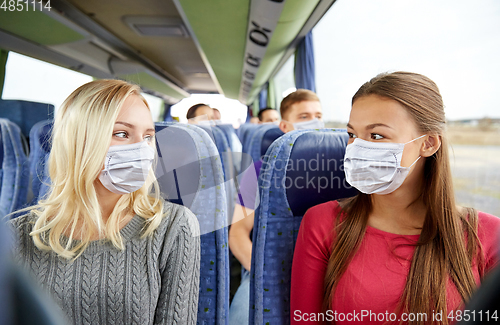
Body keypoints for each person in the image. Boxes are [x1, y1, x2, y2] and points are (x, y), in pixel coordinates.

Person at [290, 72, 500, 324]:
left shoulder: (488, 235)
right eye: (352, 135)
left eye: (377, 136)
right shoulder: (322, 223)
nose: (356, 148)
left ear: (429, 144)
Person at [8, 80, 200, 324]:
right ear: (80, 141)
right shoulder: (16, 234)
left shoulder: (173, 226)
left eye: (148, 136)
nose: (142, 148)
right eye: (122, 133)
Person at [228, 89, 324, 324]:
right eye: (304, 117)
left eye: (318, 115)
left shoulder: (344, 168)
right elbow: (238, 234)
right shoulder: (260, 170)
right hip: (269, 268)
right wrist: (266, 273)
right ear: (284, 125)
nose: (315, 121)